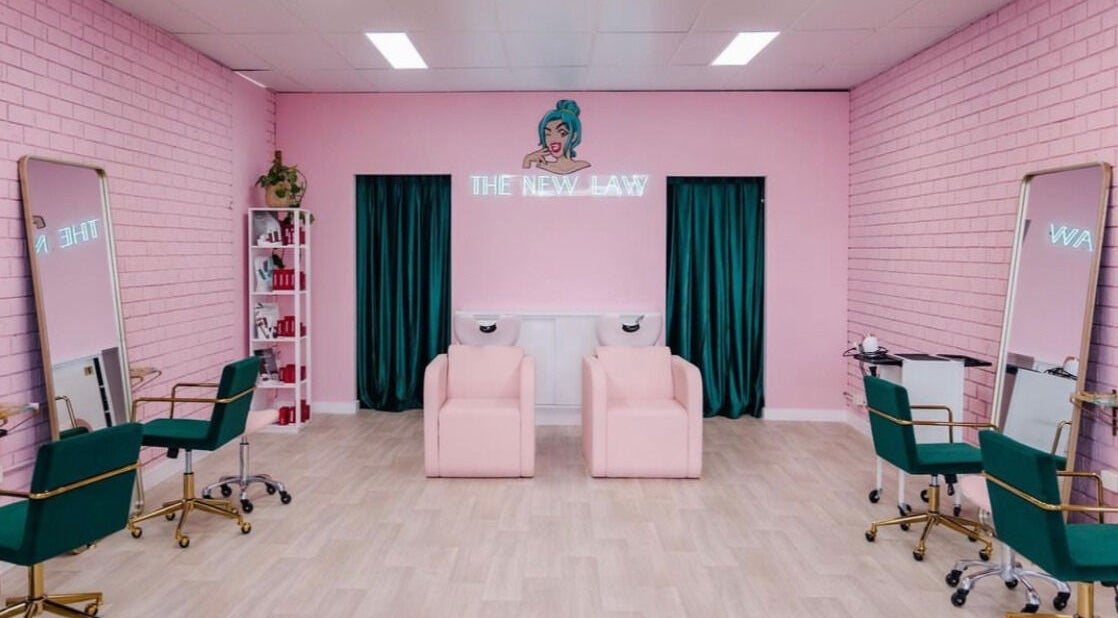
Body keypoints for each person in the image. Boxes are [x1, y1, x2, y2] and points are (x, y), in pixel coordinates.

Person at [522, 99, 591, 175]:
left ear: (574, 136)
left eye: (562, 133)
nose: (553, 139)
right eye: (547, 134)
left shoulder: (584, 166)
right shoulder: (542, 166)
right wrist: (527, 161)